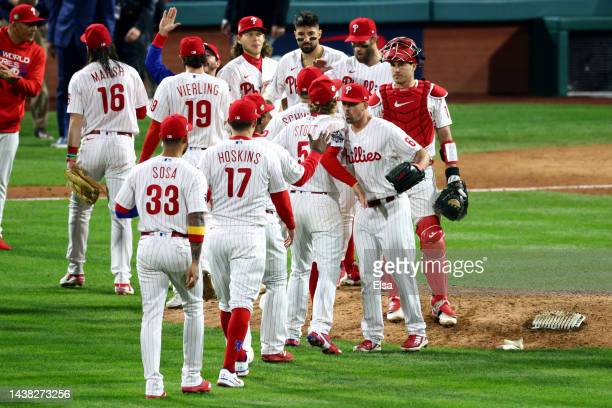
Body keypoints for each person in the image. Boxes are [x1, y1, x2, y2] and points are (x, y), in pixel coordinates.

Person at [197, 99, 296, 387]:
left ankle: (239, 359)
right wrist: (290, 224)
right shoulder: (265, 153)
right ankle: (228, 368)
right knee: (242, 303)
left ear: (228, 123)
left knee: (226, 303)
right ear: (255, 123)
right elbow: (280, 197)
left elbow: (202, 195)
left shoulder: (211, 153)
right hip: (249, 233)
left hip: (217, 232)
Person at [114, 114, 211, 398]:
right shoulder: (192, 173)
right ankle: (192, 377)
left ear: (161, 139)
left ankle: (153, 384)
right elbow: (196, 217)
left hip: (148, 248)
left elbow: (121, 210)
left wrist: (145, 209)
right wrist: (195, 260)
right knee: (193, 310)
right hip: (180, 247)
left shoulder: (140, 170)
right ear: (186, 139)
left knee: (151, 315)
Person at [369, 37, 461, 326]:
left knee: (432, 236)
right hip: (390, 178)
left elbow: (446, 139)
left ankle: (440, 300)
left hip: (421, 176)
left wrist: (454, 174)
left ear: (413, 64)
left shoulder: (433, 94)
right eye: (392, 64)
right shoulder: (378, 97)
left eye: (401, 64)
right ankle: (394, 297)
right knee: (391, 240)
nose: (395, 69)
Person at [332, 83, 430, 352]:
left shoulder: (385, 129)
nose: (347, 109)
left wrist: (417, 168)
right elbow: (329, 160)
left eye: (352, 104)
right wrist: (353, 184)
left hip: (393, 208)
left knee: (401, 272)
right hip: (365, 212)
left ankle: (417, 331)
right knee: (368, 276)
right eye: (344, 103)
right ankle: (372, 335)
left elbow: (422, 153)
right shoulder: (343, 134)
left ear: (366, 104)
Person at [274, 76, 362, 354]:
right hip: (324, 204)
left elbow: (272, 155)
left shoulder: (293, 126)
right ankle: (319, 328)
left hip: (295, 201)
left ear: (311, 102)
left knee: (298, 269)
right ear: (335, 101)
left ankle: (290, 331)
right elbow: (340, 161)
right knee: (327, 270)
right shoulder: (339, 127)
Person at [59, 23, 148, 294]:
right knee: (120, 214)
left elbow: (75, 122)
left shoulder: (81, 76)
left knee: (79, 210)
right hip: (122, 145)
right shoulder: (130, 72)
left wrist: (71, 157)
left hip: (93, 144)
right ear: (110, 45)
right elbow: (142, 112)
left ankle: (75, 271)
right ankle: (122, 279)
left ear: (88, 47)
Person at [245, 92, 328, 362]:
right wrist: (315, 153)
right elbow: (299, 178)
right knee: (277, 282)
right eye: (265, 114)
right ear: (256, 121)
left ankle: (238, 352)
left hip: (226, 227)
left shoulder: (215, 152)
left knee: (237, 294)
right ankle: (273, 347)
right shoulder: (271, 149)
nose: (270, 117)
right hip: (264, 223)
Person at [140, 35, 230, 165]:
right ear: (203, 58)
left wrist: (143, 160)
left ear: (181, 57)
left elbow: (155, 128)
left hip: (181, 155)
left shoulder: (169, 83)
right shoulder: (222, 86)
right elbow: (226, 123)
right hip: (214, 156)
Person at [0, 3, 46, 251]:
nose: (33, 30)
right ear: (14, 23)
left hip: (9, 125)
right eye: (29, 25)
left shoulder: (37, 53)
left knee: (0, 182)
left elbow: (35, 88)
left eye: (36, 25)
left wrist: (14, 79)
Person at [46, 0, 115, 148]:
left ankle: (93, 132)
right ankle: (64, 135)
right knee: (63, 86)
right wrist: (51, 38)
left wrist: (108, 43)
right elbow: (55, 7)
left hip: (92, 39)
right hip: (65, 34)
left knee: (95, 86)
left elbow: (108, 13)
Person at [263, 11, 346, 109]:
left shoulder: (339, 59)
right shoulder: (286, 61)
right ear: (295, 34)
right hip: (295, 120)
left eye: (311, 33)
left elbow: (349, 95)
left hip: (328, 120)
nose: (306, 39)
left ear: (319, 33)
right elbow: (271, 95)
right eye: (301, 34)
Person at [145, 7, 221, 85]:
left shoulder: (224, 86)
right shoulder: (176, 84)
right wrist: (162, 34)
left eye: (208, 55)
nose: (204, 58)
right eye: (202, 55)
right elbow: (153, 64)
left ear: (218, 63)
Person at [217, 15, 277, 102]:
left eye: (258, 34)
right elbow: (230, 107)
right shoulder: (230, 71)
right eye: (250, 34)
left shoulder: (275, 66)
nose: (255, 38)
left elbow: (283, 100)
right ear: (239, 39)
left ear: (263, 38)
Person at [328, 17, 392, 93]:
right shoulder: (342, 66)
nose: (357, 49)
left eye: (361, 43)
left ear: (374, 39)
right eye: (354, 43)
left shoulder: (391, 67)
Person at [263, 66, 321, 138]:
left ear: (297, 91)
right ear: (320, 91)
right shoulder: (330, 117)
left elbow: (264, 143)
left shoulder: (280, 118)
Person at [114, 0, 155, 80]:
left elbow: (150, 7)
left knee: (138, 70)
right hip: (116, 30)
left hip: (137, 31)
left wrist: (139, 27)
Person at [221, 0, 288, 41]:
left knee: (260, 59)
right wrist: (228, 17)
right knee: (238, 58)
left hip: (264, 20)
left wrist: (279, 21)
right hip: (238, 20)